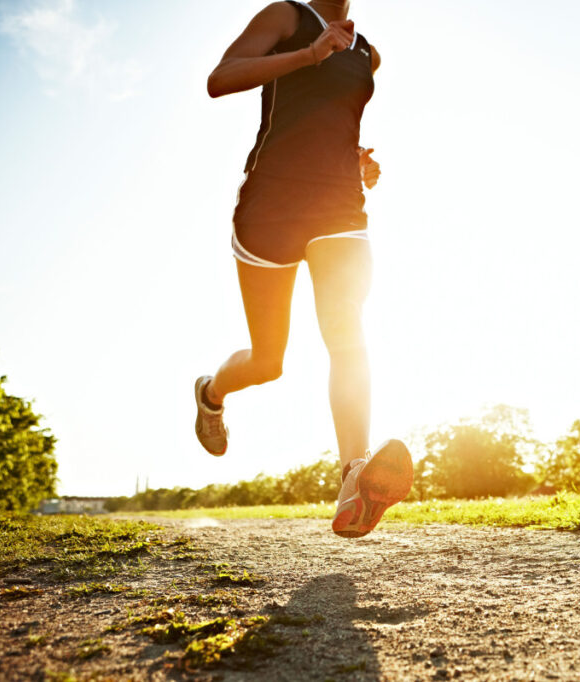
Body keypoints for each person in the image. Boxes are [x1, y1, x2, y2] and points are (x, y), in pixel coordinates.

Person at [194, 0, 412, 538]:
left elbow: (332, 115)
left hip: (339, 204)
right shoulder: (287, 17)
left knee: (345, 327)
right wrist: (308, 54)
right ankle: (210, 393)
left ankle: (352, 476)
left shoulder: (367, 51)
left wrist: (357, 156)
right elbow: (220, 79)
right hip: (271, 206)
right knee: (269, 361)